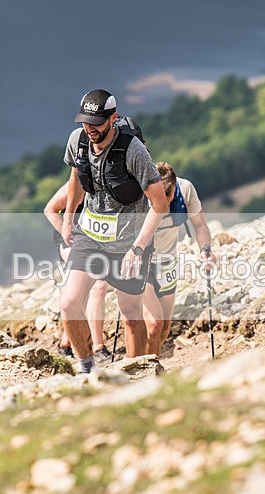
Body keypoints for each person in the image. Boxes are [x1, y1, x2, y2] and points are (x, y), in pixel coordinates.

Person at [60, 89, 168, 373]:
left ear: (113, 118)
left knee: (131, 316)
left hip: (128, 245)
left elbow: (160, 204)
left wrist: (138, 248)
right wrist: (68, 219)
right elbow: (76, 177)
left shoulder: (133, 151)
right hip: (89, 236)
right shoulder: (78, 141)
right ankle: (87, 369)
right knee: (69, 304)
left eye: (96, 122)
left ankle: (136, 374)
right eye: (85, 122)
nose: (89, 128)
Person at [143, 162, 217, 356]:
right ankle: (147, 368)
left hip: (167, 261)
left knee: (164, 329)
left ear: (175, 186)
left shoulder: (185, 189)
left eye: (167, 197)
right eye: (158, 197)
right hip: (140, 262)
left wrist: (206, 250)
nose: (164, 203)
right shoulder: (140, 193)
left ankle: (151, 359)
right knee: (154, 324)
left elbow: (200, 225)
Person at [44, 181, 111, 360]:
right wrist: (70, 237)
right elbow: (50, 210)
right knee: (98, 286)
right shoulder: (79, 181)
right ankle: (97, 346)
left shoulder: (115, 179)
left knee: (82, 292)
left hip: (96, 241)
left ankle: (66, 342)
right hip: (71, 242)